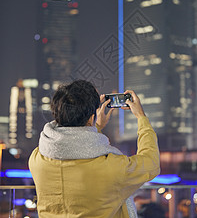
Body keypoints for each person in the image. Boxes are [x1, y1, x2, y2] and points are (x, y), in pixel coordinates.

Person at [29, 79, 160, 218]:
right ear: (92, 117)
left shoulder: (37, 159)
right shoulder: (112, 167)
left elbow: (71, 148)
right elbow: (151, 163)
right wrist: (141, 117)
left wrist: (94, 126)